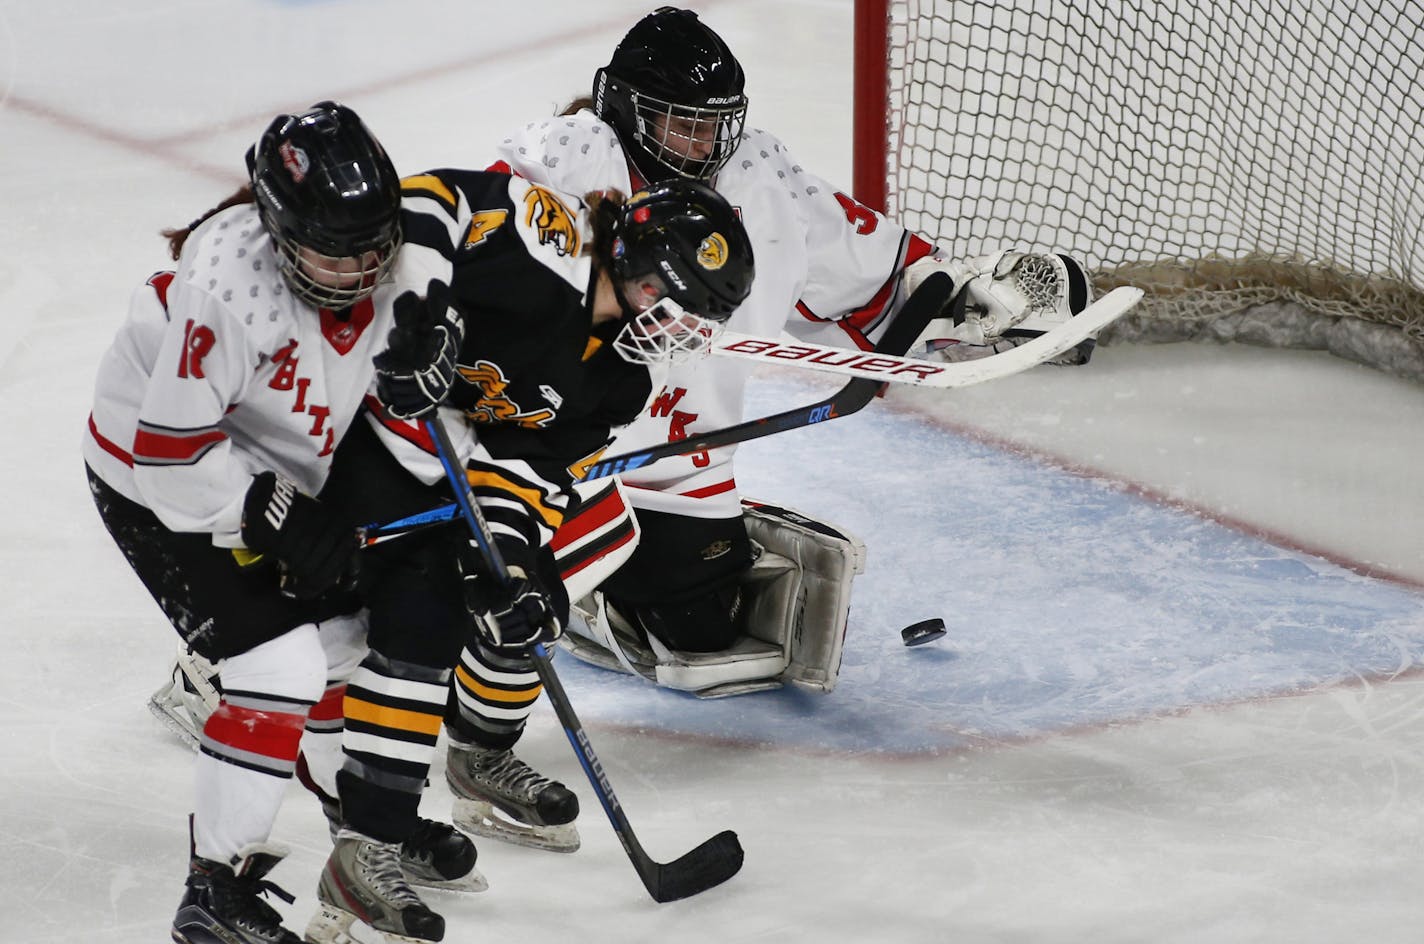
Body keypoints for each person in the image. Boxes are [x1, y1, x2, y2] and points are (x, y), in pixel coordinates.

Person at [426, 3, 1098, 846]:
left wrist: (974, 307)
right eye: (681, 122)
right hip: (545, 431)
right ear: (629, 110)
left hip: (670, 450)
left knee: (706, 638)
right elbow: (462, 271)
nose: (703, 145)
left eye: (714, 125)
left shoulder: (754, 179)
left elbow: (871, 272)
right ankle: (480, 677)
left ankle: (601, 587)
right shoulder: (555, 174)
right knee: (502, 589)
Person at [85, 102, 481, 944]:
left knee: (349, 640)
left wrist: (425, 392)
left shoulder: (399, 258)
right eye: (332, 251)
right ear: (275, 226)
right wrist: (266, 511)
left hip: (277, 465)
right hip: (157, 475)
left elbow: (410, 403)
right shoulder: (228, 287)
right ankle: (213, 893)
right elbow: (171, 461)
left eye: (373, 245)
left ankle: (360, 819)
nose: (357, 268)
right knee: (284, 665)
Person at [365, 170, 755, 855]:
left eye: (699, 322)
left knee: (553, 573)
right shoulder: (549, 235)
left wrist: (513, 557)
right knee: (349, 570)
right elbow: (427, 197)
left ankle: (481, 750)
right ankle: (222, 667)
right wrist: (416, 309)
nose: (683, 332)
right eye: (683, 308)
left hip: (446, 448)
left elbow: (536, 470)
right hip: (346, 401)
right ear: (645, 274)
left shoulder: (628, 376)